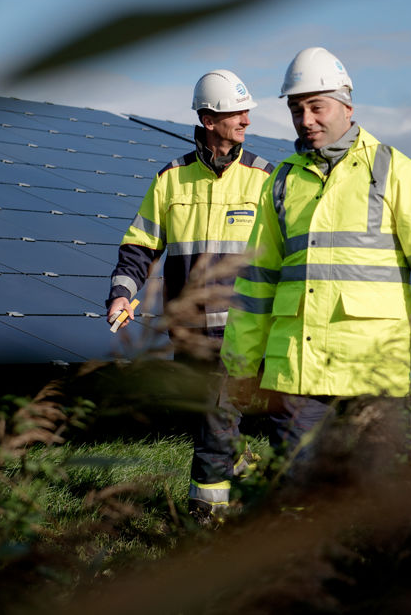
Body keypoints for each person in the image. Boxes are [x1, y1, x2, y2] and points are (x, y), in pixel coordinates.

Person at [221, 46, 411, 476]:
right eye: (296, 109)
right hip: (296, 371)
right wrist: (241, 363)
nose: (306, 120)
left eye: (316, 107)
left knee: (385, 494)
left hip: (375, 370)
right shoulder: (281, 180)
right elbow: (257, 281)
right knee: (295, 492)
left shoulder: (395, 170)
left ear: (346, 106)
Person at [106, 69, 274, 519]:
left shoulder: (265, 179)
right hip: (187, 332)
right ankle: (243, 465)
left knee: (214, 417)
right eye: (235, 112)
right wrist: (121, 295)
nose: (245, 120)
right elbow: (139, 246)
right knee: (207, 415)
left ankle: (206, 515)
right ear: (207, 119)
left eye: (246, 112)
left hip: (242, 330)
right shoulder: (170, 179)